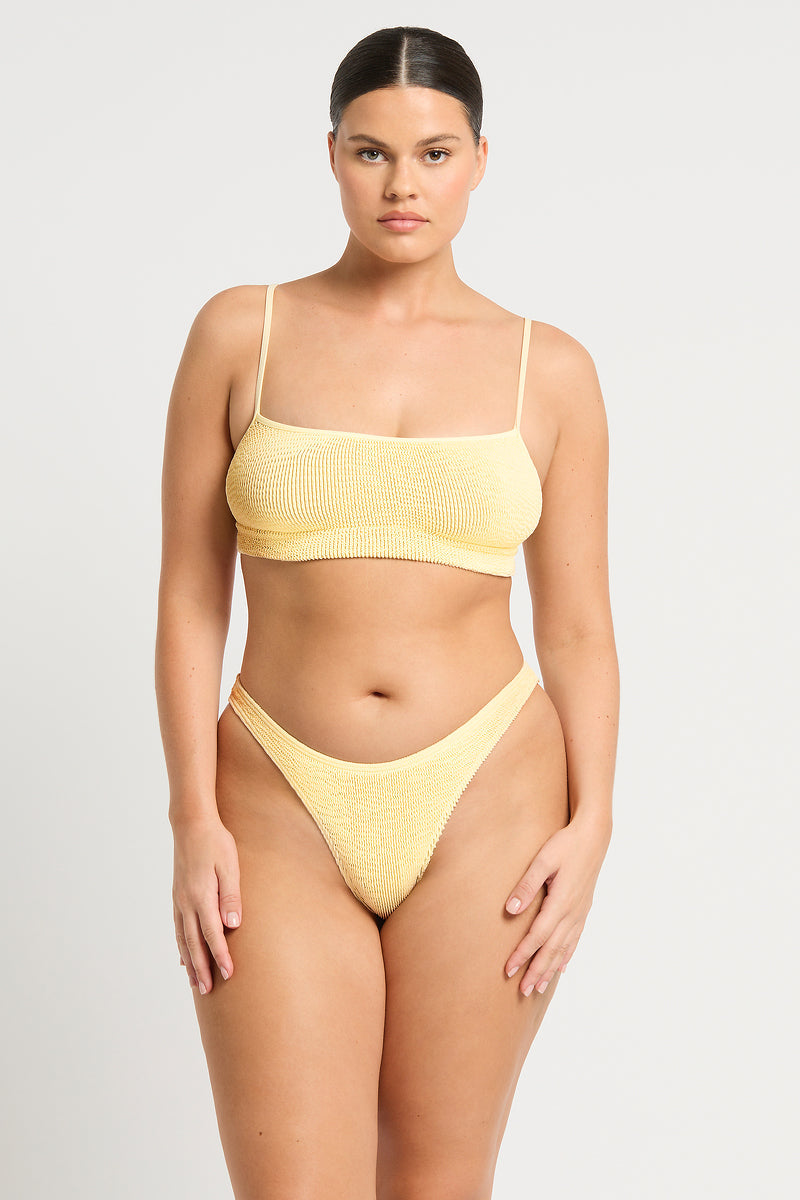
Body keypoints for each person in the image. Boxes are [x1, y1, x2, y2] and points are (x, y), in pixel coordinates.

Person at [155, 23, 619, 1200]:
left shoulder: (550, 370)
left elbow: (575, 626)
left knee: (436, 1184)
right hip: (275, 797)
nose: (400, 185)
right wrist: (192, 816)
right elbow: (190, 595)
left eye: (432, 154)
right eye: (370, 152)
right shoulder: (239, 333)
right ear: (330, 156)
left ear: (478, 162)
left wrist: (594, 822)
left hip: (490, 798)